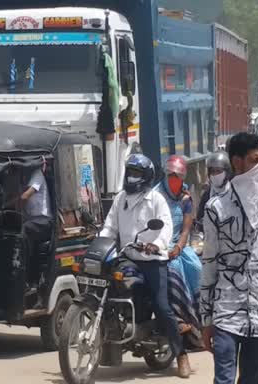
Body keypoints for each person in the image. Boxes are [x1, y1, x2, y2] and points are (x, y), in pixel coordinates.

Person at [201, 132, 258, 384]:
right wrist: (206, 320)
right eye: (254, 159)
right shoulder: (215, 209)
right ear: (236, 161)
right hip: (226, 314)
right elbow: (209, 265)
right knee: (224, 380)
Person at [100, 154, 189, 378]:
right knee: (110, 289)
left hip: (152, 260)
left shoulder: (156, 199)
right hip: (128, 256)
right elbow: (110, 227)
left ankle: (181, 354)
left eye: (136, 174)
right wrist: (100, 242)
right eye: (130, 172)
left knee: (161, 305)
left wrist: (156, 245)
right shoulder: (121, 199)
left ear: (146, 176)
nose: (132, 177)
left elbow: (166, 228)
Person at [155, 155, 203, 353]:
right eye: (171, 175)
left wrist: (179, 248)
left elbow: (186, 229)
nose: (173, 179)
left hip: (178, 246)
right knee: (175, 273)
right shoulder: (155, 196)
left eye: (178, 176)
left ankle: (199, 321)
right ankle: (181, 319)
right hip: (158, 246)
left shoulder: (185, 198)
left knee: (196, 268)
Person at [18, 161, 53, 293]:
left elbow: (26, 195)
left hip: (44, 221)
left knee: (24, 229)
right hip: (34, 223)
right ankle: (30, 280)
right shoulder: (25, 177)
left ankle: (22, 268)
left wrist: (14, 202)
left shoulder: (37, 174)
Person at [197, 151, 232, 222]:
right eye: (213, 171)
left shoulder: (234, 193)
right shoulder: (207, 195)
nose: (215, 174)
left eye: (219, 171)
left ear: (227, 172)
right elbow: (200, 217)